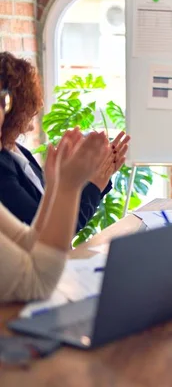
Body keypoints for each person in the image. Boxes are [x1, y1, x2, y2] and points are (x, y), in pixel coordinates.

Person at [0, 82, 110, 302]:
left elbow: (28, 238)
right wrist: (68, 186)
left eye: (5, 101)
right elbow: (37, 283)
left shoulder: (18, 152)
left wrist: (54, 186)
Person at [0, 52, 130, 231]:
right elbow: (51, 231)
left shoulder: (16, 150)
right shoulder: (3, 170)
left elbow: (57, 213)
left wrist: (96, 179)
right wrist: (94, 183)